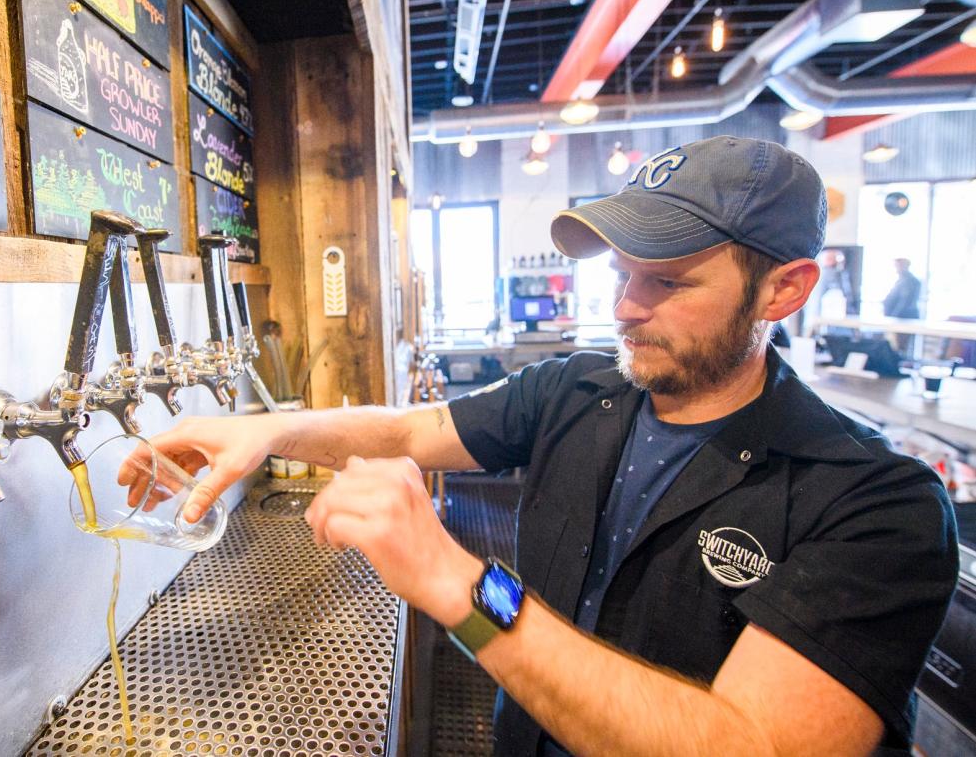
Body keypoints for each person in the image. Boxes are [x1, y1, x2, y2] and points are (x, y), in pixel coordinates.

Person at [120, 137, 956, 756]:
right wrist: (269, 427)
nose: (627, 307)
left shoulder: (874, 505)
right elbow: (410, 430)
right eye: (621, 273)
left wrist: (458, 583)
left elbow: (747, 743)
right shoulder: (578, 391)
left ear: (784, 288)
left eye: (666, 281)